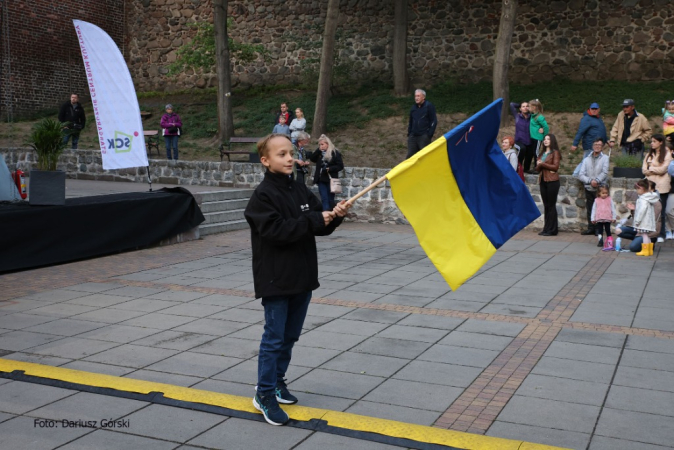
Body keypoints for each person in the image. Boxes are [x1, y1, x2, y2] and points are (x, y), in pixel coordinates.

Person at [244, 133, 350, 426]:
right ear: (265, 161)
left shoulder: (300, 189)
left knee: (290, 337)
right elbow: (277, 231)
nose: (289, 158)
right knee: (274, 338)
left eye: (290, 153)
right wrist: (316, 220)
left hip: (303, 277)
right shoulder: (262, 196)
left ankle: (277, 382)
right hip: (276, 280)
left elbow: (319, 224)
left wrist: (335, 215)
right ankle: (263, 393)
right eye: (281, 154)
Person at [642, 134, 672, 242]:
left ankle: (661, 234)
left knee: (661, 211)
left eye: (654, 141)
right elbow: (644, 170)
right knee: (649, 211)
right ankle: (649, 233)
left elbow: (664, 169)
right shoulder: (649, 154)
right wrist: (654, 169)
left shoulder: (667, 154)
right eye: (651, 141)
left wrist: (651, 169)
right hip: (649, 186)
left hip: (662, 186)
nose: (652, 143)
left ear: (661, 142)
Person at [617, 180, 662, 252]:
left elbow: (649, 219)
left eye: (648, 187)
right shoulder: (643, 198)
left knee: (633, 247)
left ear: (652, 189)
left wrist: (638, 221)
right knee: (619, 231)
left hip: (649, 230)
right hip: (640, 228)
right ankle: (640, 240)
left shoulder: (655, 201)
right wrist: (634, 210)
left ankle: (648, 244)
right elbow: (639, 216)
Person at [577, 138, 609, 236]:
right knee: (590, 208)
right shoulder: (586, 159)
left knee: (600, 209)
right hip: (589, 187)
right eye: (595, 144)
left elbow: (605, 172)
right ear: (592, 146)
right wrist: (590, 181)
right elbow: (581, 174)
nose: (597, 146)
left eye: (599, 145)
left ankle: (598, 229)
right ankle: (590, 227)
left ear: (602, 147)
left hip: (600, 188)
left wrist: (597, 181)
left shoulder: (605, 158)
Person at [308, 134, 344, 211]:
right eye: (320, 144)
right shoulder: (319, 153)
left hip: (331, 179)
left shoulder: (335, 153)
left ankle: (331, 215)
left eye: (322, 144)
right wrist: (318, 150)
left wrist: (329, 168)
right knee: (324, 198)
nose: (321, 146)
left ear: (328, 144)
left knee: (330, 199)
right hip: (321, 179)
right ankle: (326, 215)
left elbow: (340, 166)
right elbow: (312, 159)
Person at [536, 134, 561, 236]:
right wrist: (539, 164)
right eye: (544, 139)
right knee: (546, 205)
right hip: (543, 180)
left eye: (548, 139)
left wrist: (542, 164)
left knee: (551, 205)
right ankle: (546, 228)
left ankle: (552, 229)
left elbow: (555, 167)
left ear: (552, 141)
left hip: (552, 181)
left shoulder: (555, 152)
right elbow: (537, 168)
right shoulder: (542, 153)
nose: (545, 141)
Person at [407, 89, 438, 159]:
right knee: (410, 156)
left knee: (425, 156)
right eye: (415, 96)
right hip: (413, 136)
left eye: (418, 96)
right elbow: (411, 121)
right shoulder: (413, 108)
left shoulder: (428, 106)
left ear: (423, 97)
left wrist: (429, 134)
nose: (416, 98)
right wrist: (409, 133)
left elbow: (434, 121)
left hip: (423, 136)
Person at [632, 178, 660, 256]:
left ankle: (645, 250)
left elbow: (642, 210)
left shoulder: (643, 199)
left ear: (641, 188)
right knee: (647, 235)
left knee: (644, 235)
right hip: (648, 221)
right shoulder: (649, 197)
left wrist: (637, 220)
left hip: (644, 221)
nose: (636, 191)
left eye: (637, 189)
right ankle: (649, 250)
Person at [509, 101, 534, 172]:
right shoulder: (517, 116)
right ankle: (517, 167)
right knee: (522, 149)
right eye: (523, 106)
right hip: (519, 141)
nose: (525, 108)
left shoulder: (532, 117)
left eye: (527, 106)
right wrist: (520, 105)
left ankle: (526, 169)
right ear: (520, 109)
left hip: (529, 140)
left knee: (530, 153)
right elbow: (511, 104)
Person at [591, 185, 616, 250]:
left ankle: (610, 242)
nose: (605, 194)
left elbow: (613, 209)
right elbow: (594, 209)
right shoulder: (596, 200)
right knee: (600, 231)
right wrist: (593, 218)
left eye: (606, 193)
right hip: (599, 218)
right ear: (599, 193)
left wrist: (613, 217)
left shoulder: (609, 199)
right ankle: (600, 241)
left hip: (607, 218)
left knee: (608, 230)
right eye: (603, 193)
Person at [528, 99, 549, 172]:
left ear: (534, 107)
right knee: (533, 152)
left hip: (537, 138)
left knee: (536, 153)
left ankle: (537, 168)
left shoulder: (539, 117)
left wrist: (544, 136)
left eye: (529, 106)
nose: (528, 108)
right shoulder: (532, 115)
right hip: (532, 137)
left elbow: (546, 127)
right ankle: (534, 167)